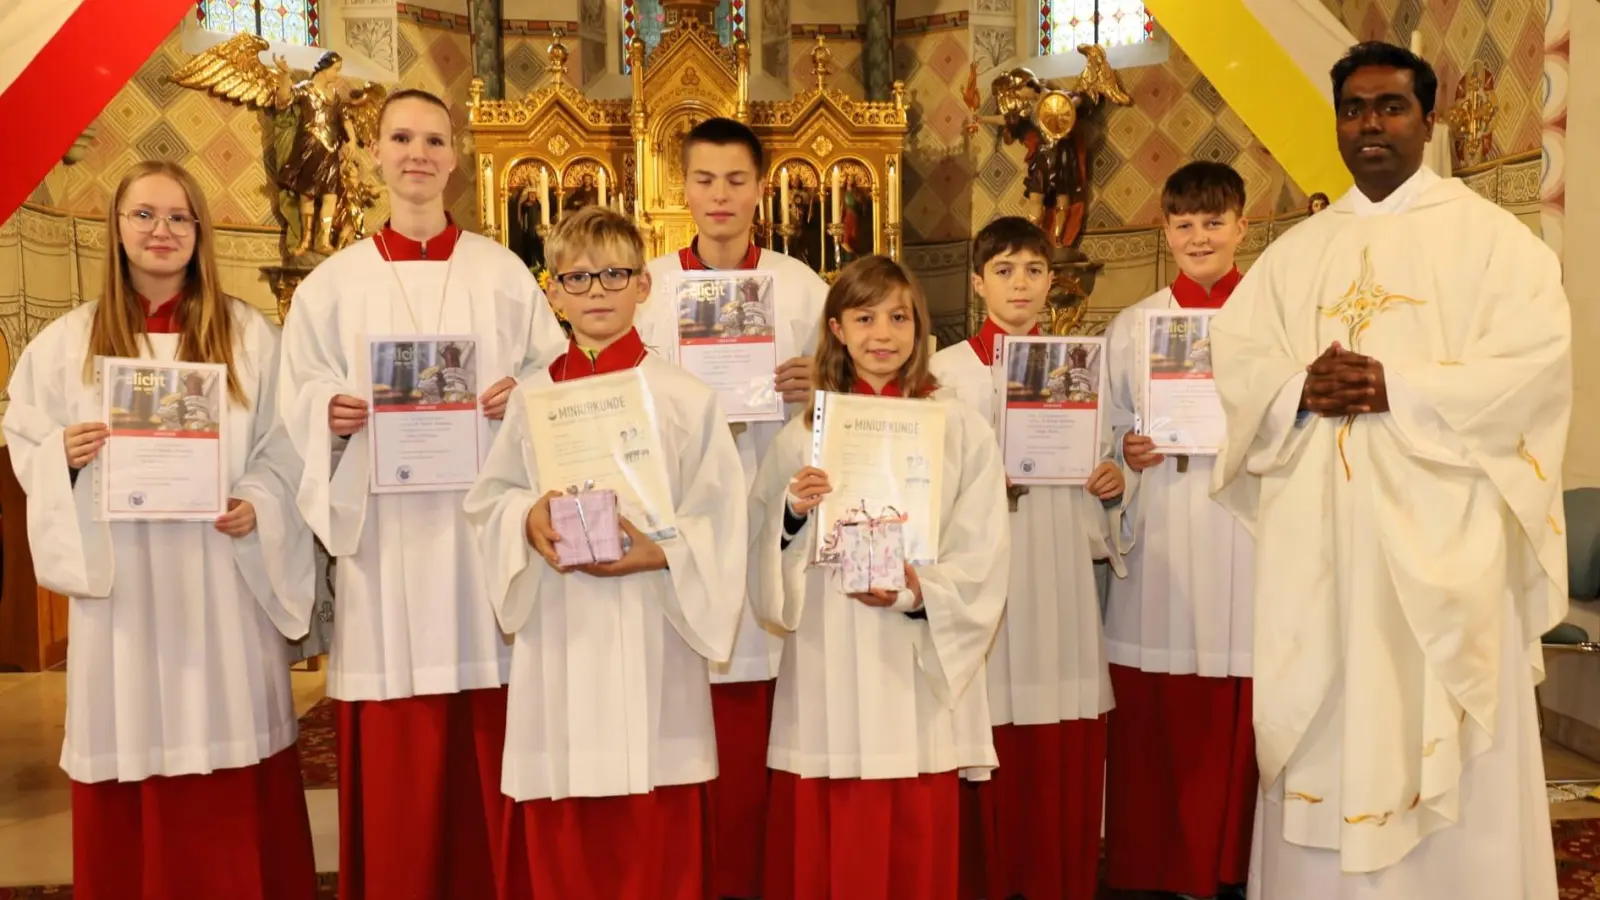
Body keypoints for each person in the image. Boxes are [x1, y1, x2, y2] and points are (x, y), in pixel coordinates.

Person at [1211, 41, 1569, 899]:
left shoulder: (1492, 241)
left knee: (1443, 720)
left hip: (1446, 548)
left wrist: (1396, 388)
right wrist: (1298, 389)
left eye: (1390, 107)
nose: (1369, 125)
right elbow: (1241, 359)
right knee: (1328, 712)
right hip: (1322, 549)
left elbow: (1532, 365)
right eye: (1354, 109)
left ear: (1428, 120)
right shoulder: (1295, 254)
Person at [278, 88, 567, 899]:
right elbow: (290, 400)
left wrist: (526, 394)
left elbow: (556, 373)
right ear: (372, 152)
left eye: (434, 140)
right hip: (387, 549)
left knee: (487, 729)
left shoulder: (503, 271)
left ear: (456, 155)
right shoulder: (331, 286)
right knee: (401, 744)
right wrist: (326, 417)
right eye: (401, 138)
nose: (418, 153)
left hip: (481, 542)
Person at [3, 159, 317, 899]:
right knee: (133, 735)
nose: (161, 231)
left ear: (200, 230)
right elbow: (24, 437)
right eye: (143, 215)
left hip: (221, 578)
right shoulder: (67, 343)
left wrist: (257, 501)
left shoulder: (247, 336)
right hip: (127, 593)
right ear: (115, 229)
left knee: (230, 734)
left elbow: (285, 446)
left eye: (178, 216)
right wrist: (64, 459)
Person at [465, 206, 747, 899]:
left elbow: (721, 514)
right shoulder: (532, 398)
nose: (596, 291)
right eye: (577, 277)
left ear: (643, 285)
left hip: (652, 623)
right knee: (567, 812)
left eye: (613, 274)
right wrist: (526, 516)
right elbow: (490, 500)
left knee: (656, 814)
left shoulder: (685, 396)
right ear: (552, 291)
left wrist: (662, 553)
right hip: (562, 623)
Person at [749, 255, 1010, 900]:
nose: (883, 334)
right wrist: (794, 511)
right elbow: (763, 546)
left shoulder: (958, 426)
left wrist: (920, 591)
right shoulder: (804, 435)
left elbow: (983, 547)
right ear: (837, 328)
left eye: (899, 317)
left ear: (920, 328)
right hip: (830, 647)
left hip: (912, 654)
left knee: (911, 821)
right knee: (832, 823)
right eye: (865, 318)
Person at [637, 115, 829, 900]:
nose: (720, 196)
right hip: (679, 522)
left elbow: (852, 404)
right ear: (680, 185)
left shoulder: (803, 288)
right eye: (705, 179)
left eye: (737, 180)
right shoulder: (644, 289)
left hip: (772, 511)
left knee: (768, 686)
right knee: (685, 700)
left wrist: (815, 393)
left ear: (762, 187)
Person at [931, 216, 1123, 900]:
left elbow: (1103, 459)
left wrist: (1110, 482)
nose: (1021, 284)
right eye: (1005, 270)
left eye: (1034, 270)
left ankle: (1058, 877)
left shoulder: (1079, 363)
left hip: (1060, 558)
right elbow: (929, 480)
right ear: (977, 280)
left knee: (1056, 719)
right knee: (994, 708)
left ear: (1053, 281)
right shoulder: (945, 373)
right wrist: (983, 484)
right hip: (990, 571)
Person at [1104, 161, 1257, 900]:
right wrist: (1127, 453)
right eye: (1184, 223)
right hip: (1163, 520)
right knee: (1160, 703)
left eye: (1213, 221)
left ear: (1241, 225)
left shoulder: (1271, 317)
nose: (1198, 236)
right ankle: (1160, 864)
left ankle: (1235, 866)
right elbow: (1107, 431)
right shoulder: (1135, 326)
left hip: (1243, 529)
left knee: (1241, 697)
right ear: (1164, 230)